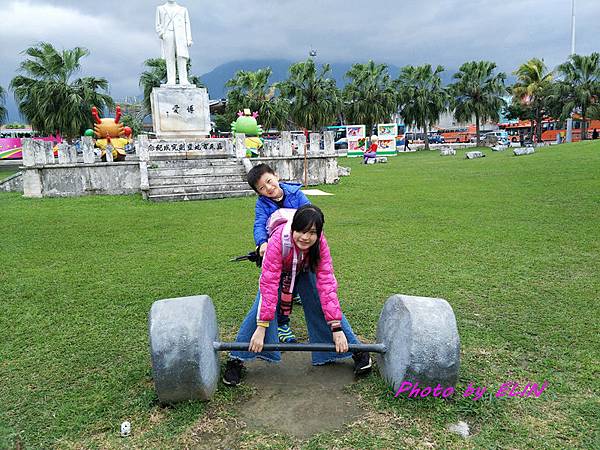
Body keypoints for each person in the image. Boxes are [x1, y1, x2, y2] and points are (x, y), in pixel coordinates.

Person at [223, 205, 372, 386]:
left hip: (304, 268)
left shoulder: (320, 244)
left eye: (312, 232)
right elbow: (269, 286)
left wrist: (336, 328)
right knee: (260, 306)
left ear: (319, 233)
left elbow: (327, 285)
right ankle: (237, 358)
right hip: (280, 270)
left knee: (319, 300)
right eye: (301, 231)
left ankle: (357, 350)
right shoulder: (278, 241)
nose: (305, 237)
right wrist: (262, 327)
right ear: (293, 227)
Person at [247, 164, 310, 343]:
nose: (268, 188)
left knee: (296, 280)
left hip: (300, 249)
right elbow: (259, 224)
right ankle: (283, 324)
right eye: (261, 188)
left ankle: (294, 294)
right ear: (258, 192)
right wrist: (262, 243)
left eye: (269, 181)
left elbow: (309, 213)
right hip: (278, 252)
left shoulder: (296, 194)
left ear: (276, 176)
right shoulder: (262, 204)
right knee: (283, 286)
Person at [155, 0, 193, 85]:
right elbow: (158, 24)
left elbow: (187, 24)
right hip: (168, 34)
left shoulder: (183, 9)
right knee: (170, 57)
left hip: (181, 35)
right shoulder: (161, 8)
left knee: (182, 57)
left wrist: (189, 39)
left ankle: (184, 79)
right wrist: (162, 34)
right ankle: (171, 79)